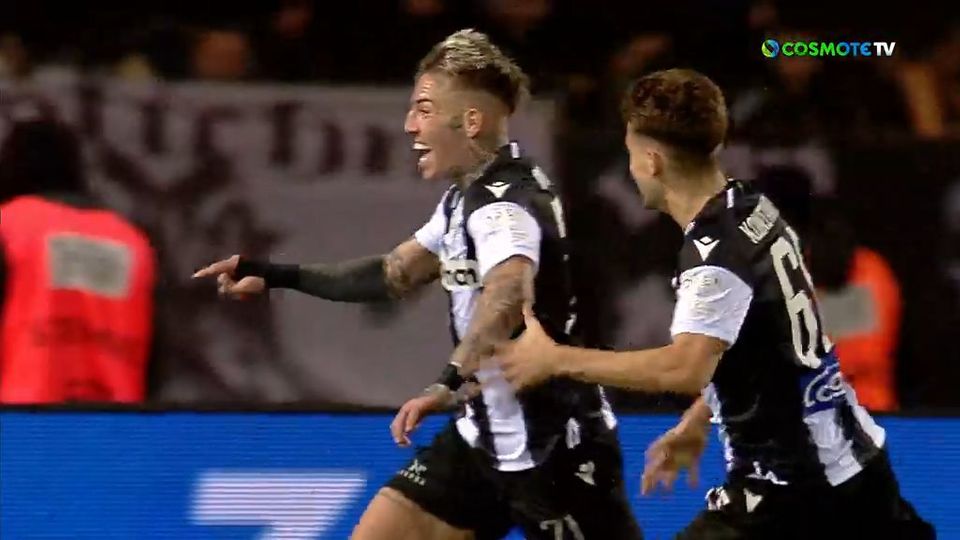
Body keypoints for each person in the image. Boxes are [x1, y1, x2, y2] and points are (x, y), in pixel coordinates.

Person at [194, 29, 642, 540]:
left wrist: (448, 381)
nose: (410, 125)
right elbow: (393, 273)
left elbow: (508, 293)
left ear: (470, 122)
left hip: (554, 450)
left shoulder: (504, 205)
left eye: (424, 110)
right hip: (480, 440)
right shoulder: (463, 198)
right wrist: (276, 275)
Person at [496, 69, 935, 539]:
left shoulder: (714, 255)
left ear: (652, 161)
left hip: (790, 487)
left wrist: (557, 359)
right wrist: (701, 416)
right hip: (856, 463)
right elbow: (765, 340)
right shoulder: (751, 206)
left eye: (631, 153)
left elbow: (685, 368)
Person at [0, 117, 157, 403]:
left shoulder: (10, 226)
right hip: (117, 421)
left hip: (21, 420)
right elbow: (158, 356)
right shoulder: (132, 241)